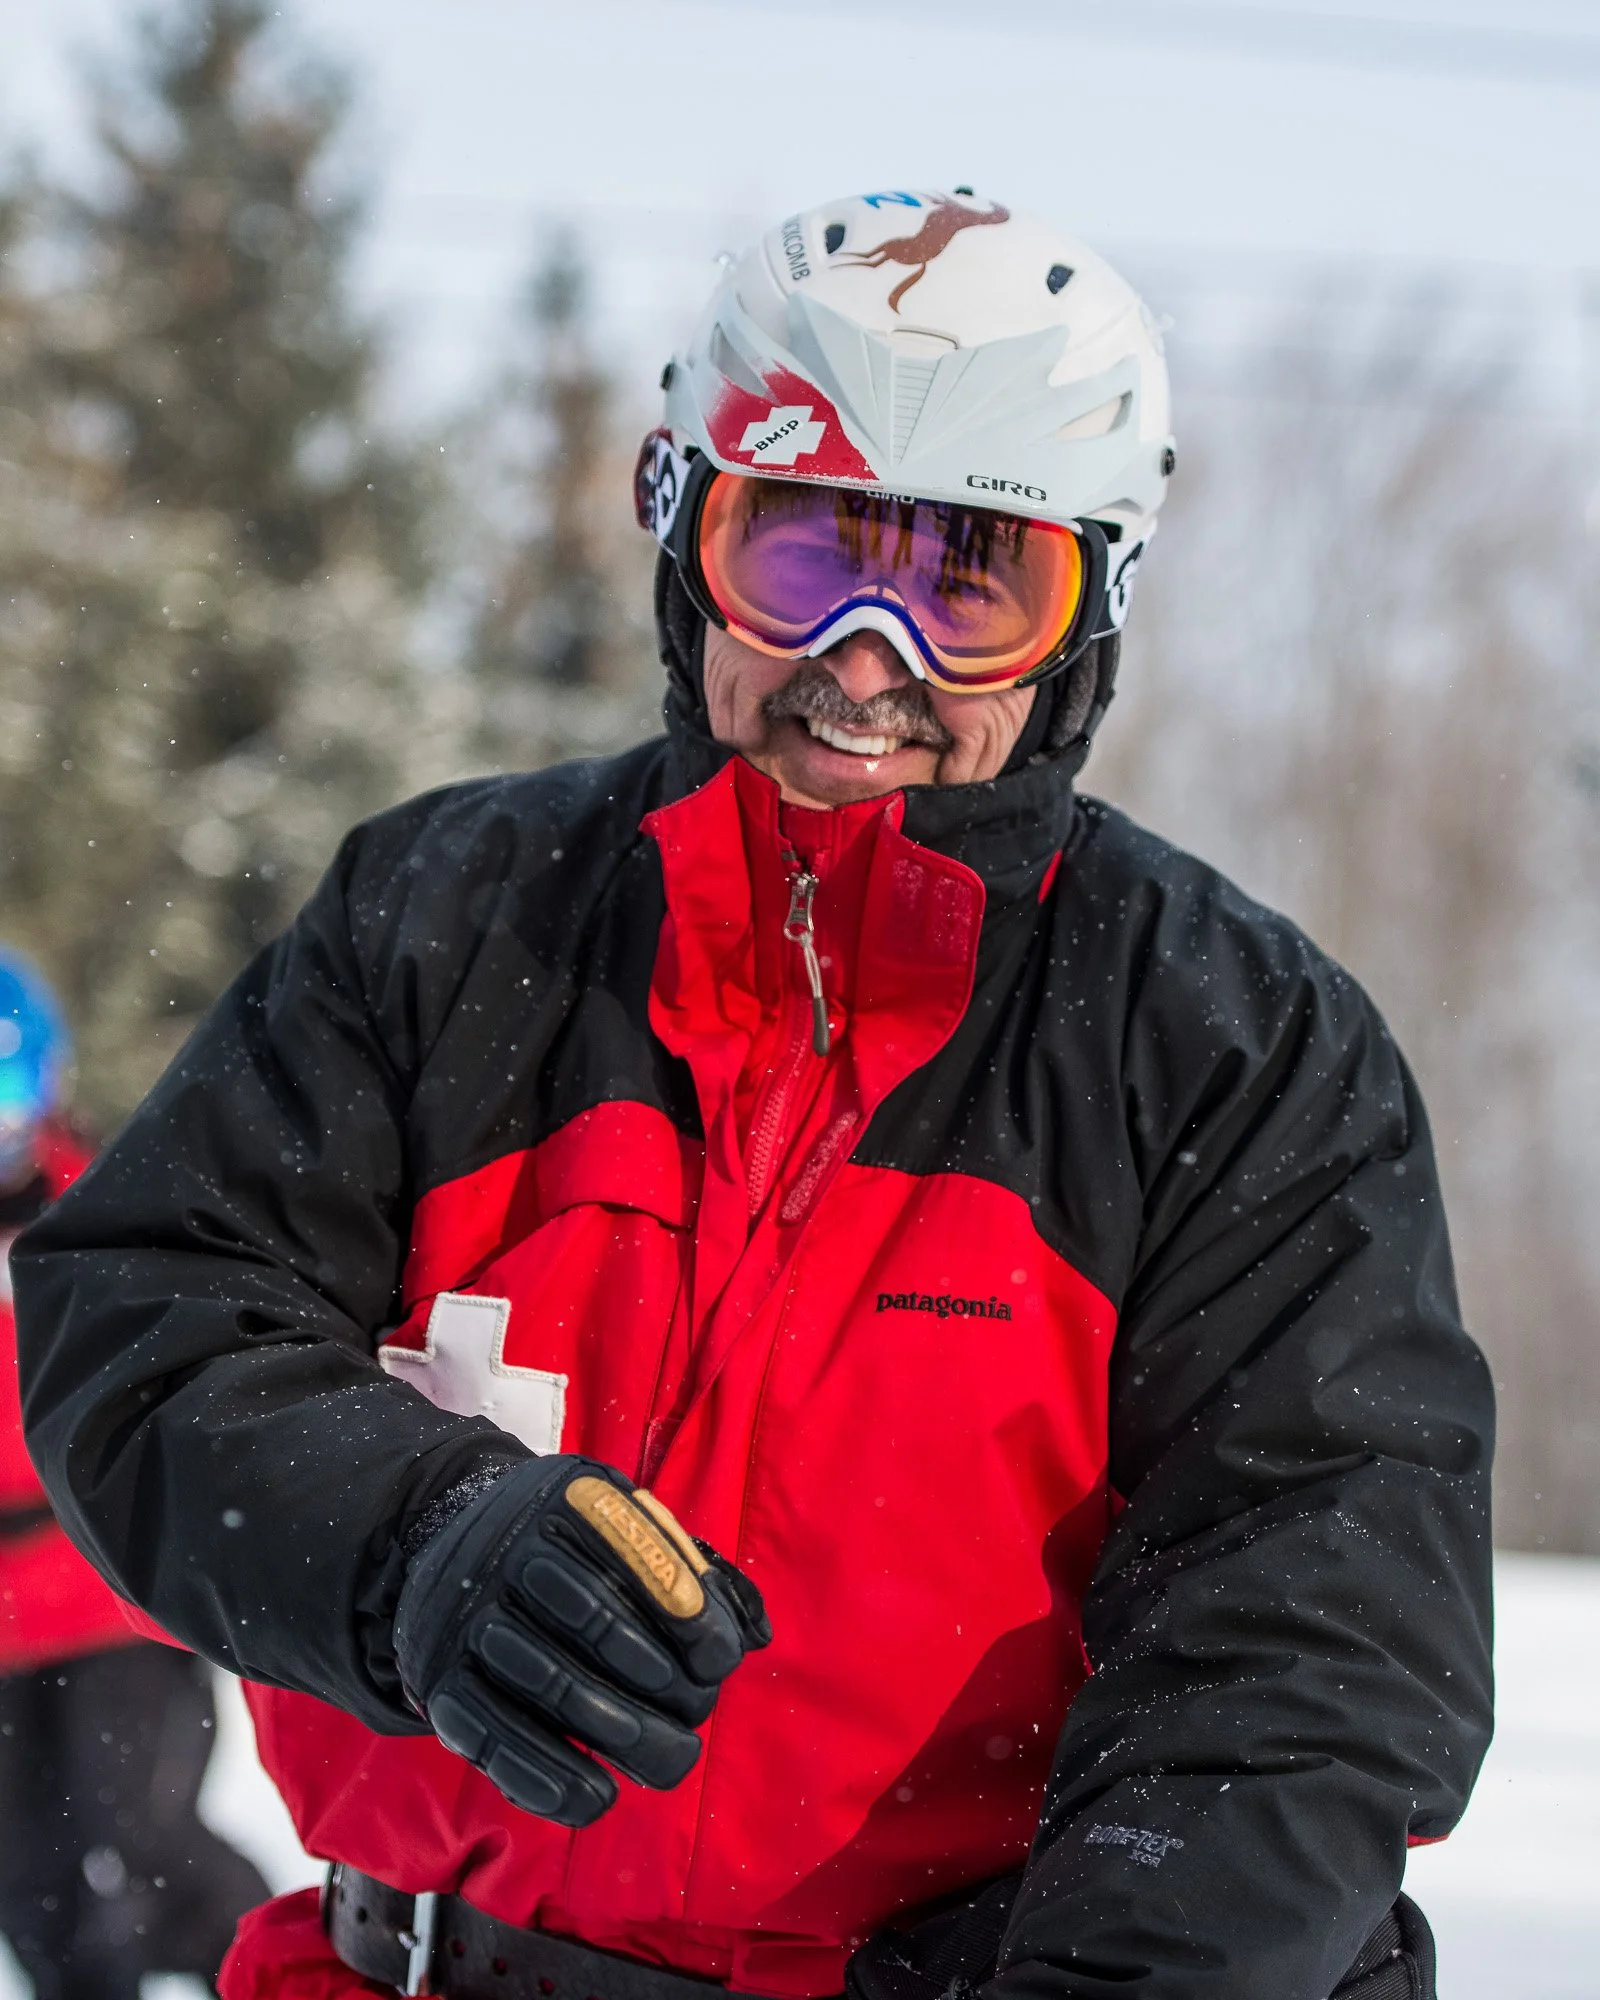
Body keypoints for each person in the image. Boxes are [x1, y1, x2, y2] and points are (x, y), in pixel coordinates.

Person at [14, 193, 1492, 2000]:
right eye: (801, 555)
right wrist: (411, 1538)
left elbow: (1311, 1656)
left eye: (972, 580)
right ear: (677, 537)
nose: (870, 662)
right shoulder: (447, 922)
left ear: (1085, 615)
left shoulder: (1232, 1049)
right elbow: (143, 1321)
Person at [0, 948, 269, 1999]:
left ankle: (279, 1976)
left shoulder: (106, 1208)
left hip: (106, 1592)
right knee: (34, 1880)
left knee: (143, 1846)